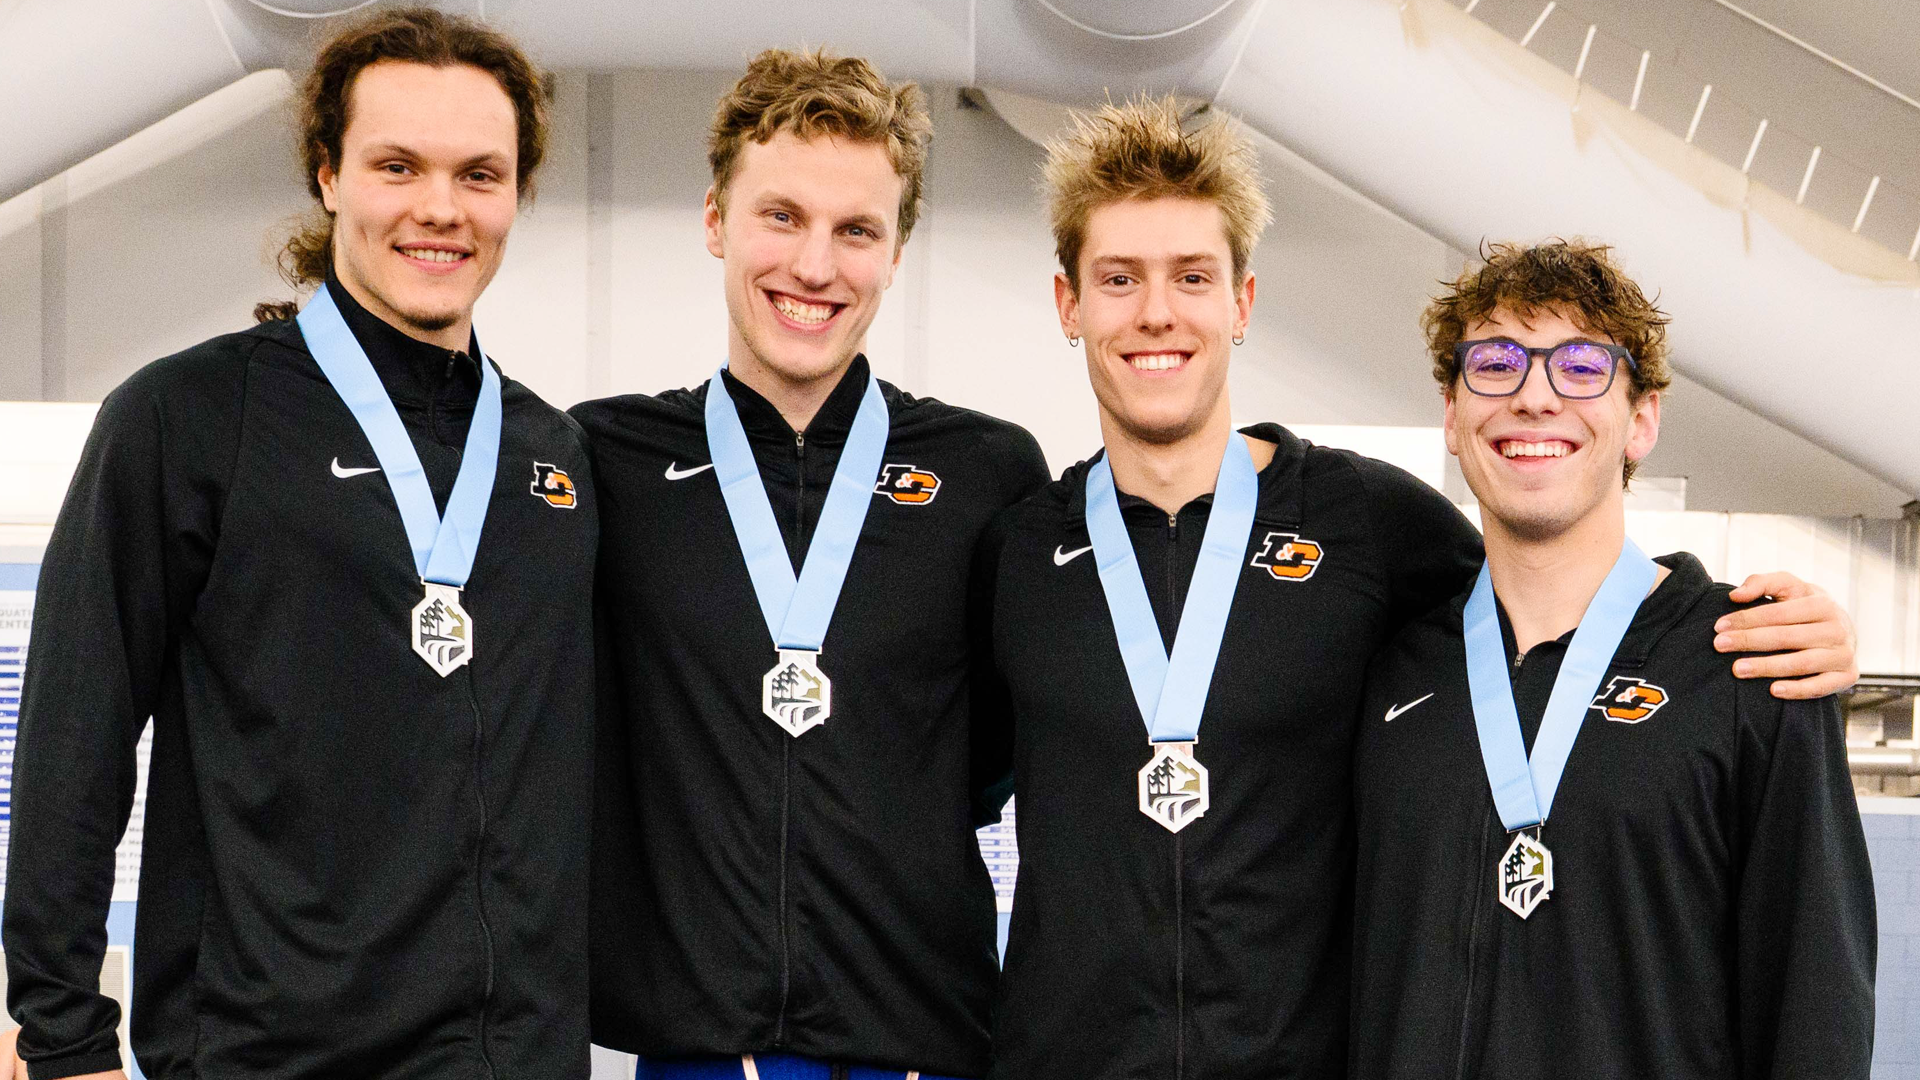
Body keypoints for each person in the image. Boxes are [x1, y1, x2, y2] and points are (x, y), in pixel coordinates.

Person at [978, 97, 1858, 1079]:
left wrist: (1796, 628)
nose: (1156, 311)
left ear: (1242, 302)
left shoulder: (1366, 523)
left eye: (1192, 275)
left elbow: (1563, 584)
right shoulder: (1014, 550)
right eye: (1118, 278)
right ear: (1068, 304)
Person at [1, 9, 597, 1079]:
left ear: (517, 194)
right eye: (397, 166)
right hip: (266, 1057)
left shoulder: (552, 457)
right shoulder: (186, 418)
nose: (440, 208)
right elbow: (72, 745)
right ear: (328, 175)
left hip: (515, 1060)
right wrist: (62, 1037)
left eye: (479, 175)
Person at [573, 50, 1049, 1080]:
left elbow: (1005, 749)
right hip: (697, 1046)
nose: (815, 266)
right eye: (781, 217)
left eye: (856, 230)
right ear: (716, 221)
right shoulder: (605, 460)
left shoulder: (986, 471)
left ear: (897, 250)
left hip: (917, 1042)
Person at [1348, 239, 1875, 1078]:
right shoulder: (1390, 673)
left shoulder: (1750, 668)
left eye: (1582, 367)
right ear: (1451, 413)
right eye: (1495, 365)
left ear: (1643, 420)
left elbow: (1816, 1016)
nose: (1534, 397)